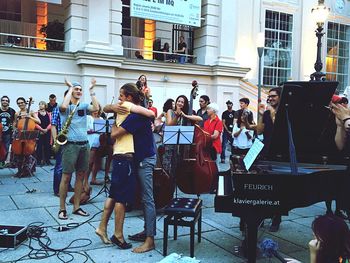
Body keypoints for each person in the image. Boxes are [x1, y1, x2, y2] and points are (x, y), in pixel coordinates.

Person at [95, 83, 155, 249]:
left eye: (121, 96)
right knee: (117, 195)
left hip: (138, 159)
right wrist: (112, 107)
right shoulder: (126, 111)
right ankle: (108, 231)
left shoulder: (133, 114)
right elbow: (105, 108)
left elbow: (114, 134)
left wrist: (114, 118)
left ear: (129, 98)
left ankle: (147, 238)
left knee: (129, 197)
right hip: (126, 158)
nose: (119, 99)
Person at [57, 78, 99, 220]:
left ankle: (76, 207)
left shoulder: (84, 106)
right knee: (66, 176)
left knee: (81, 176)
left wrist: (91, 90)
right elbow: (63, 106)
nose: (79, 91)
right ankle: (62, 209)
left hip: (84, 144)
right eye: (77, 89)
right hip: (70, 145)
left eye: (80, 89)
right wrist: (70, 88)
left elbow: (97, 108)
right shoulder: (65, 107)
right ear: (70, 92)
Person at [246, 87, 282, 232]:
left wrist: (272, 113)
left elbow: (278, 128)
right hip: (267, 151)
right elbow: (260, 130)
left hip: (280, 153)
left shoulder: (284, 112)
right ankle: (264, 213)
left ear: (280, 97)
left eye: (273, 96)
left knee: (279, 188)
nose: (270, 98)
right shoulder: (267, 112)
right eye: (269, 96)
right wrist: (261, 115)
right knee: (266, 185)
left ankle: (277, 217)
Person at [51, 91, 73, 196]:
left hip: (73, 140)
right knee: (59, 166)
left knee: (70, 165)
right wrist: (56, 140)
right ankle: (57, 189)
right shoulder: (57, 109)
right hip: (62, 139)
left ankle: (67, 186)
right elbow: (53, 125)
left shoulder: (74, 109)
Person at [13, 97, 41, 177]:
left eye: (22, 102)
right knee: (18, 154)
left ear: (25, 103)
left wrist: (30, 117)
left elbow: (39, 121)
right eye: (18, 103)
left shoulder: (31, 112)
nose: (20, 104)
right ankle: (20, 170)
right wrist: (16, 126)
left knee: (29, 154)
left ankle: (28, 170)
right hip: (20, 137)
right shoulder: (17, 113)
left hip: (29, 138)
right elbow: (15, 124)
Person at [0, 95, 15, 167]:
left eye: (6, 100)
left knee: (6, 147)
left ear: (8, 102)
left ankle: (3, 162)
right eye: (3, 100)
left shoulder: (12, 111)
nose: (5, 102)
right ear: (1, 101)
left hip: (8, 133)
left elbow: (14, 122)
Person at [35, 101, 52, 166]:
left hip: (47, 132)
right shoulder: (36, 114)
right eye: (39, 104)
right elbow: (35, 123)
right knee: (39, 146)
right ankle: (38, 161)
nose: (40, 105)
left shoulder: (49, 114)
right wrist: (41, 130)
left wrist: (46, 129)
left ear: (45, 106)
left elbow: (51, 123)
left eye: (42, 104)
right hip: (39, 132)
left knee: (47, 146)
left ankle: (47, 160)